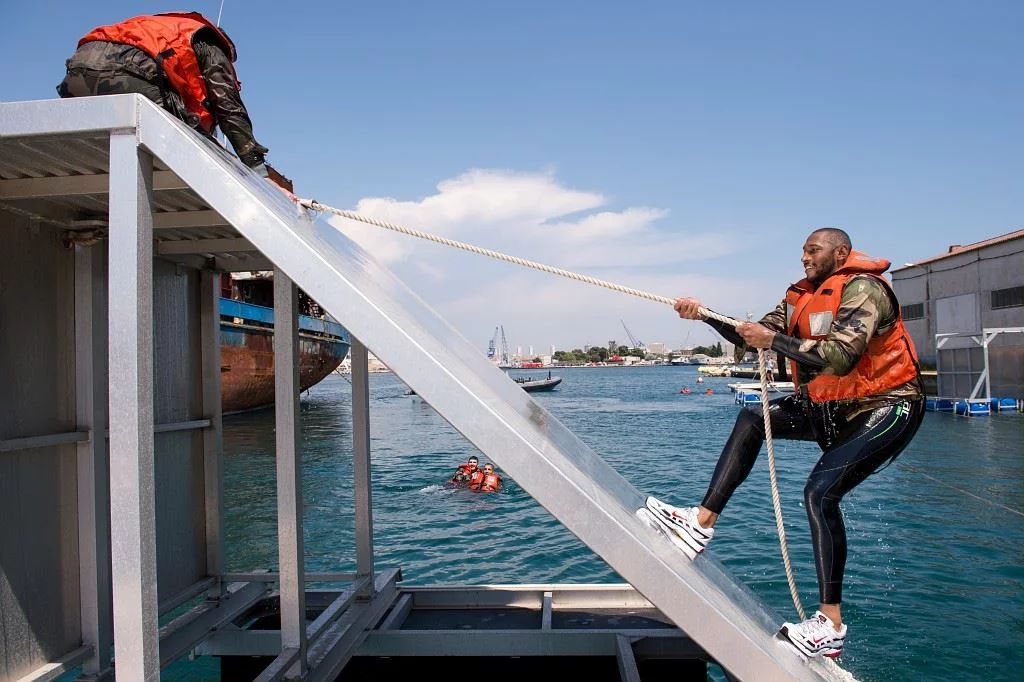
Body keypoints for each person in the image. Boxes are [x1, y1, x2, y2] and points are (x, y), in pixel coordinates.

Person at [646, 227, 924, 660]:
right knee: (754, 417)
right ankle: (699, 526)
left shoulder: (864, 290)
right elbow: (750, 334)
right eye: (802, 252)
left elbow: (841, 355)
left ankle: (830, 625)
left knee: (819, 493)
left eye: (813, 251)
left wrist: (772, 341)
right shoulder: (799, 295)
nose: (804, 258)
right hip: (831, 407)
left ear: (841, 253)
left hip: (887, 406)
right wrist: (706, 317)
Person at [57, 11, 271, 175]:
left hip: (76, 72)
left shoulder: (159, 27)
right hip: (130, 73)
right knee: (188, 141)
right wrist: (255, 165)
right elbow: (227, 104)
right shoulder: (209, 43)